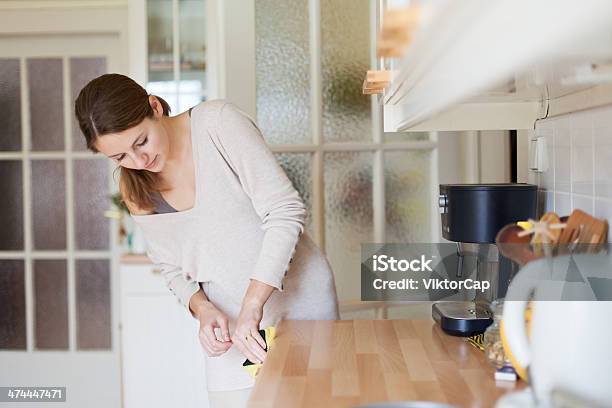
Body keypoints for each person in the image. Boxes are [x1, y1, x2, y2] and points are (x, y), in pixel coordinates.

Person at [75, 74, 339, 407]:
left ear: (154, 107)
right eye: (120, 157)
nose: (139, 161)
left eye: (141, 141)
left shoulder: (217, 124)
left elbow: (285, 211)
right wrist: (203, 309)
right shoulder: (135, 187)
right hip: (233, 330)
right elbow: (171, 268)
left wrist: (253, 304)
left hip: (301, 305)